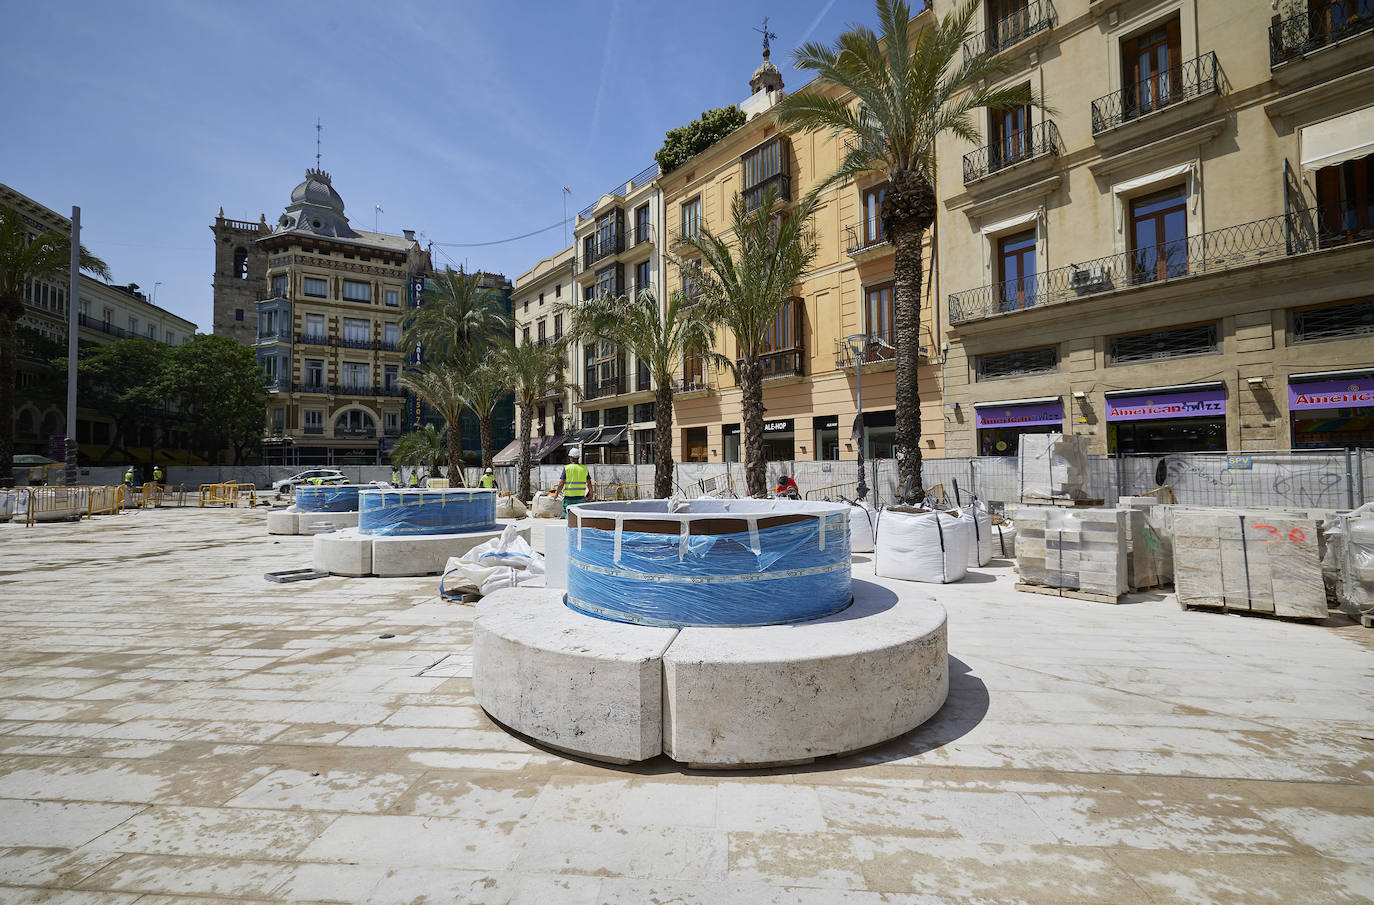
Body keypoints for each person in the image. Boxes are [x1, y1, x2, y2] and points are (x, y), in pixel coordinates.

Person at [550, 447, 589, 517]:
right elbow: (589, 483)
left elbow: (561, 483)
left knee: (569, 515)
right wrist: (591, 495)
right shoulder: (584, 468)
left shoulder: (567, 468)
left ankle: (571, 526)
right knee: (579, 516)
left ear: (571, 458)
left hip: (569, 498)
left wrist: (556, 494)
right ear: (578, 458)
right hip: (580, 498)